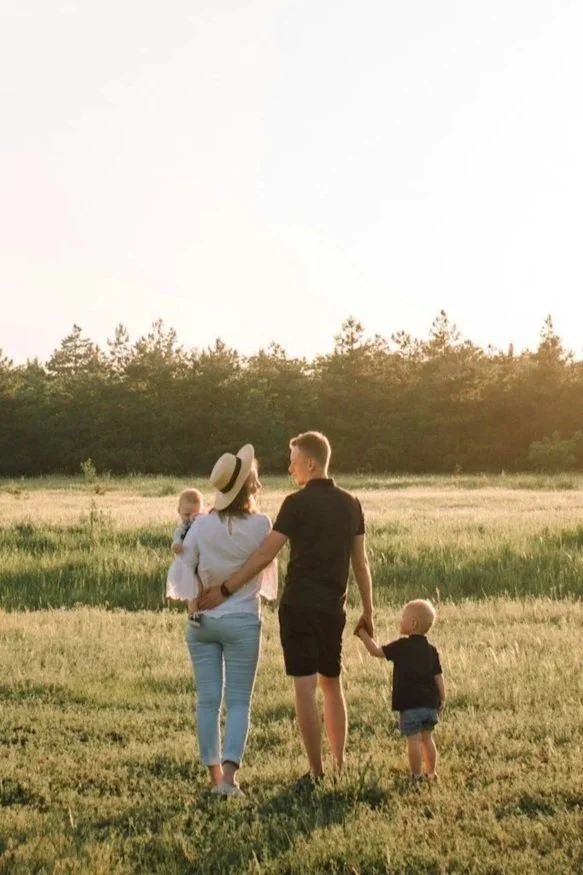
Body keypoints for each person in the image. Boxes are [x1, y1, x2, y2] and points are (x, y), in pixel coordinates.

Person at [199, 431, 374, 782]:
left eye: (294, 462)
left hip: (298, 607)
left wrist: (226, 588)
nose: (291, 468)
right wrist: (368, 611)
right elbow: (361, 563)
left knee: (305, 687)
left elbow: (266, 554)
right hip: (332, 608)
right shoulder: (352, 503)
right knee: (332, 683)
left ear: (311, 463)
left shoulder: (295, 504)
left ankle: (316, 771)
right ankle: (340, 765)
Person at [181, 445, 277, 797]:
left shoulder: (201, 526)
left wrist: (194, 606)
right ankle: (230, 780)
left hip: (202, 621)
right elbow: (264, 569)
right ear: (251, 485)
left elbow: (184, 569)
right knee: (238, 701)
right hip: (242, 621)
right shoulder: (263, 524)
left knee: (207, 700)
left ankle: (213, 778)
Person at [355, 599, 446, 780]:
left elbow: (376, 651)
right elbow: (438, 675)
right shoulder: (431, 650)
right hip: (430, 705)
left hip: (411, 705)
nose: (400, 620)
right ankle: (431, 772)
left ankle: (416, 774)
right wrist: (443, 698)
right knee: (427, 739)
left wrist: (362, 634)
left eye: (403, 617)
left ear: (413, 624)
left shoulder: (401, 646)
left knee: (413, 740)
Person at [166, 488, 204, 622]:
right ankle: (193, 615)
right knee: (193, 592)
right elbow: (176, 540)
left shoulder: (202, 524)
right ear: (179, 511)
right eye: (187, 514)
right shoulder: (181, 529)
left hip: (200, 563)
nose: (190, 519)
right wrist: (176, 546)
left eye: (195, 515)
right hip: (187, 565)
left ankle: (204, 612)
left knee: (203, 589)